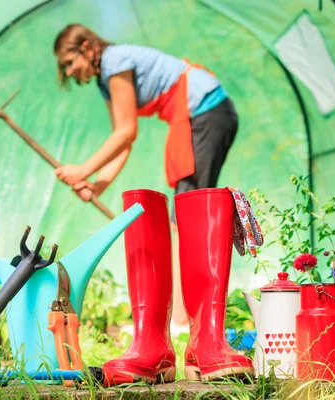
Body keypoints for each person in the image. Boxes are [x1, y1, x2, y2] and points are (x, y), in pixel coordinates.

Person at [52, 24, 238, 330]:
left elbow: (127, 131)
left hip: (208, 112)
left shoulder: (114, 61)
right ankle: (185, 318)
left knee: (186, 218)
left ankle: (186, 319)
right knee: (183, 219)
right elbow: (123, 139)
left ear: (87, 48)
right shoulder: (105, 80)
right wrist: (99, 183)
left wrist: (82, 170)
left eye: (70, 63)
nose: (70, 72)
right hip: (201, 116)